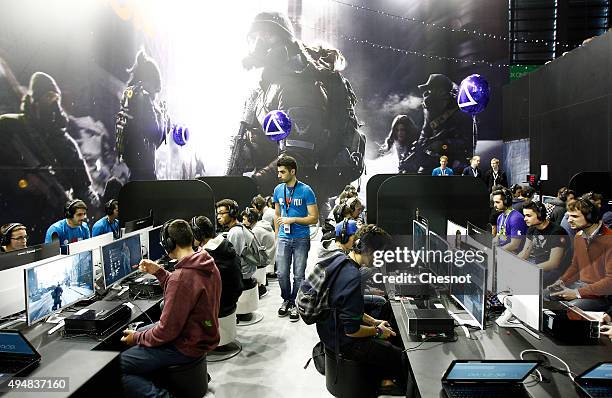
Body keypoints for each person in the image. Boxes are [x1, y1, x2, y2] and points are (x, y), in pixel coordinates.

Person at [120, 219, 221, 397]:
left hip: (184, 345)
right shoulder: (207, 263)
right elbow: (186, 290)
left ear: (169, 243)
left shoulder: (181, 277)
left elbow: (165, 332)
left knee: (119, 366)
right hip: (200, 336)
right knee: (141, 329)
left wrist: (136, 338)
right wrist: (159, 272)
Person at [0, 71, 98, 243]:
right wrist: (23, 182)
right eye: (47, 97)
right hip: (20, 223)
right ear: (34, 101)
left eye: (56, 98)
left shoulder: (65, 142)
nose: (53, 103)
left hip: (55, 223)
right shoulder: (11, 127)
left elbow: (83, 186)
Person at [315, 224, 409, 396]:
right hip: (342, 341)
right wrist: (377, 331)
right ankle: (391, 386)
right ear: (372, 251)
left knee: (386, 335)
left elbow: (350, 311)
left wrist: (374, 322)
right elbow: (352, 331)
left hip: (329, 331)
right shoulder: (351, 277)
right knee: (396, 354)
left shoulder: (343, 261)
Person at [273, 155, 318, 322]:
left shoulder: (306, 190)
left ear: (293, 171)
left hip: (301, 238)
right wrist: (277, 235)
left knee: (298, 275)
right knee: (281, 273)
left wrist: (293, 219)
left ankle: (294, 303)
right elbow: (277, 214)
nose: (279, 175)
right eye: (278, 172)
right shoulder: (278, 190)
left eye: (283, 172)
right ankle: (286, 299)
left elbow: (313, 218)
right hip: (284, 238)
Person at [547, 198, 612, 311]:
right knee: (544, 296)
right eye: (569, 216)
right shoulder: (579, 236)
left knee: (568, 310)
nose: (569, 220)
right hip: (580, 286)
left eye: (575, 216)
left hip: (601, 295)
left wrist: (577, 293)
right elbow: (576, 267)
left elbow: (610, 281)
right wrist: (561, 282)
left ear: (591, 217)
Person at [116, 50, 167, 181]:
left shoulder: (132, 97)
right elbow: (155, 135)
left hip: (136, 169)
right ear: (151, 82)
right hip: (144, 172)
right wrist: (163, 118)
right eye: (155, 91)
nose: (154, 98)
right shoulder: (142, 98)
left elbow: (152, 143)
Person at [192, 216, 243, 319]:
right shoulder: (225, 245)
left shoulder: (206, 258)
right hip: (231, 299)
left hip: (219, 305)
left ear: (198, 235)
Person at [518, 201, 570, 286]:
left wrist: (530, 270)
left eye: (528, 215)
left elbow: (554, 263)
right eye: (525, 215)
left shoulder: (556, 232)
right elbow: (524, 253)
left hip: (555, 271)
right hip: (538, 266)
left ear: (540, 215)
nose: (525, 219)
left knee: (525, 281)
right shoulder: (532, 229)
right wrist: (512, 264)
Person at [242, 207, 276, 298]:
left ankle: (256, 287)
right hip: (268, 256)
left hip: (264, 259)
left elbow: (252, 249)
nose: (242, 222)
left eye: (244, 219)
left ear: (250, 219)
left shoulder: (256, 231)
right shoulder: (261, 226)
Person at [492, 188, 527, 253]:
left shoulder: (516, 218)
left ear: (506, 201)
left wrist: (496, 252)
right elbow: (498, 236)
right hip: (503, 252)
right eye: (494, 202)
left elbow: (514, 245)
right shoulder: (500, 217)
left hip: (514, 256)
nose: (494, 205)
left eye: (497, 202)